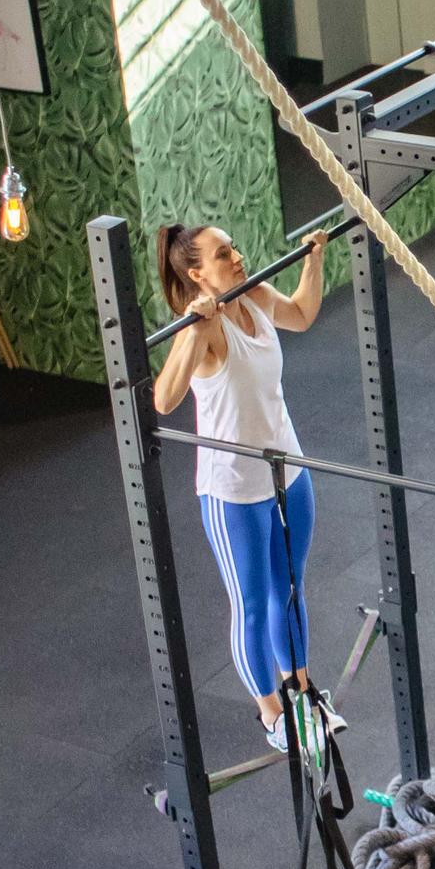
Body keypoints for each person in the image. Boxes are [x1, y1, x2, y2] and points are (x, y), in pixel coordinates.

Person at [154, 220, 328, 753]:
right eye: (223, 254)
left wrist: (313, 258)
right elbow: (164, 399)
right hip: (232, 491)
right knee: (251, 602)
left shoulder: (252, 295)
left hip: (288, 470)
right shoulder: (202, 329)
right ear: (195, 272)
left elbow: (300, 314)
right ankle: (273, 715)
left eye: (234, 248)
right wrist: (189, 327)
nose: (237, 258)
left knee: (290, 585)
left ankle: (302, 692)